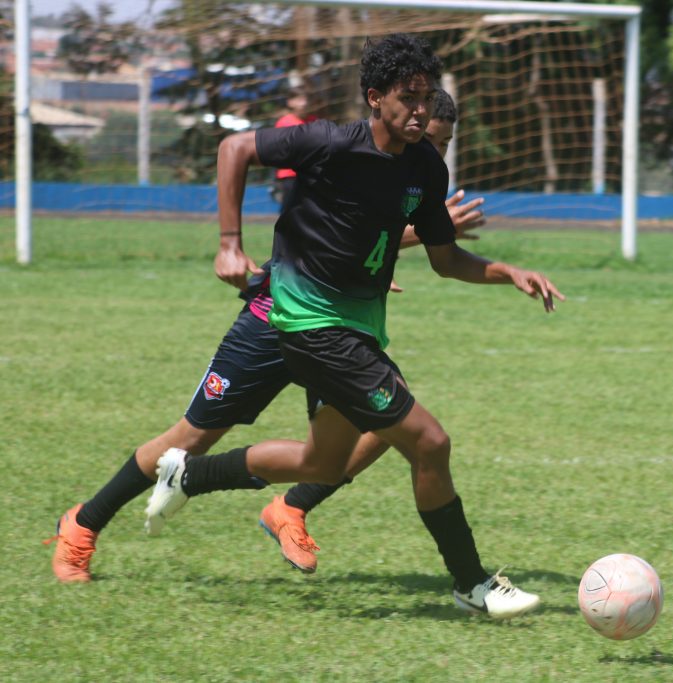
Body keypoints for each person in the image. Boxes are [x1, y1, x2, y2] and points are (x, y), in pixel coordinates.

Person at [145, 33, 563, 619]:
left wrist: (508, 272)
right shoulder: (331, 142)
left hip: (356, 326)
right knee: (430, 442)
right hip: (311, 323)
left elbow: (446, 260)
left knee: (322, 464)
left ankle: (189, 474)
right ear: (375, 98)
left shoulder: (426, 168)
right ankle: (472, 584)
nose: (419, 110)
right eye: (408, 98)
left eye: (426, 97)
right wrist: (229, 244)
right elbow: (235, 147)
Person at [46, 88, 485, 583]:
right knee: (191, 438)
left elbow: (369, 236)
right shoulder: (349, 151)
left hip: (333, 329)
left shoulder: (415, 171)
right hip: (275, 316)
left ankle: (290, 509)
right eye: (430, 139)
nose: (434, 151)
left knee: (391, 421)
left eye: (444, 144)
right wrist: (232, 246)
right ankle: (82, 525)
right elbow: (326, 223)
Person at [270, 87, 317, 211]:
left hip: (311, 174)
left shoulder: (314, 121)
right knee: (290, 212)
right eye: (300, 99)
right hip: (290, 176)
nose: (304, 103)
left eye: (306, 99)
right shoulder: (284, 123)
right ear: (290, 102)